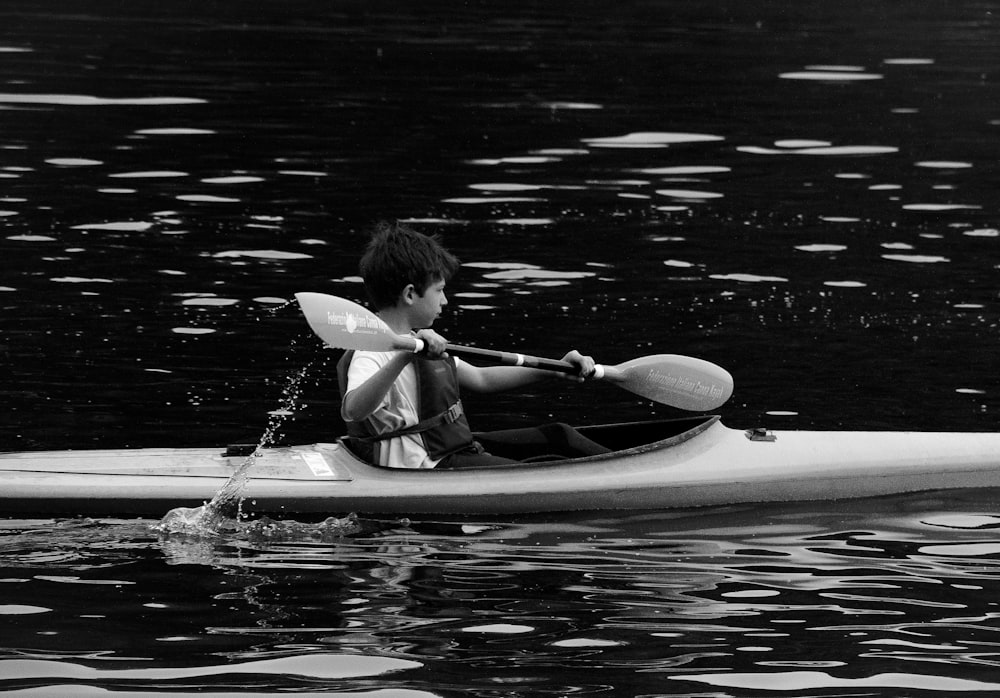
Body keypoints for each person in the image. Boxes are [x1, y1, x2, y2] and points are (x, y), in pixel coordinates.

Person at [337, 221, 611, 469]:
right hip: (424, 467)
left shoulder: (419, 339)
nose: (445, 300)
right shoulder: (372, 352)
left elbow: (482, 378)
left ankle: (626, 467)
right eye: (440, 290)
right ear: (410, 294)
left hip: (451, 449)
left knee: (558, 436)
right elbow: (353, 409)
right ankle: (622, 478)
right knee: (535, 471)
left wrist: (554, 369)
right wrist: (404, 356)